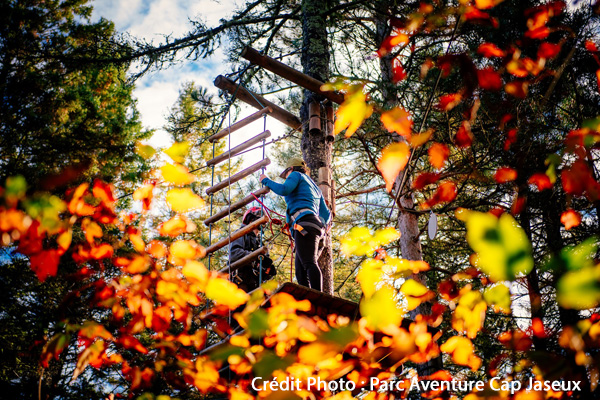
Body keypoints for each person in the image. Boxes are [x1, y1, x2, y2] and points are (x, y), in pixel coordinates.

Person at [259, 157, 331, 291]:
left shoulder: (295, 175)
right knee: (300, 271)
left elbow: (284, 189)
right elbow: (327, 215)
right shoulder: (315, 188)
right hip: (314, 227)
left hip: (304, 225)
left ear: (290, 169)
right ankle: (309, 298)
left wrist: (265, 180)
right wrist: (321, 225)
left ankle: (319, 296)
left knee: (309, 263)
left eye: (286, 174)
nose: (287, 177)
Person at [228, 206, 276, 292]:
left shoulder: (259, 244)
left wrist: (267, 270)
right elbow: (234, 254)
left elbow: (261, 273)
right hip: (239, 282)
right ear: (251, 219)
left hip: (253, 286)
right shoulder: (241, 233)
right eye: (259, 219)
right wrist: (256, 257)